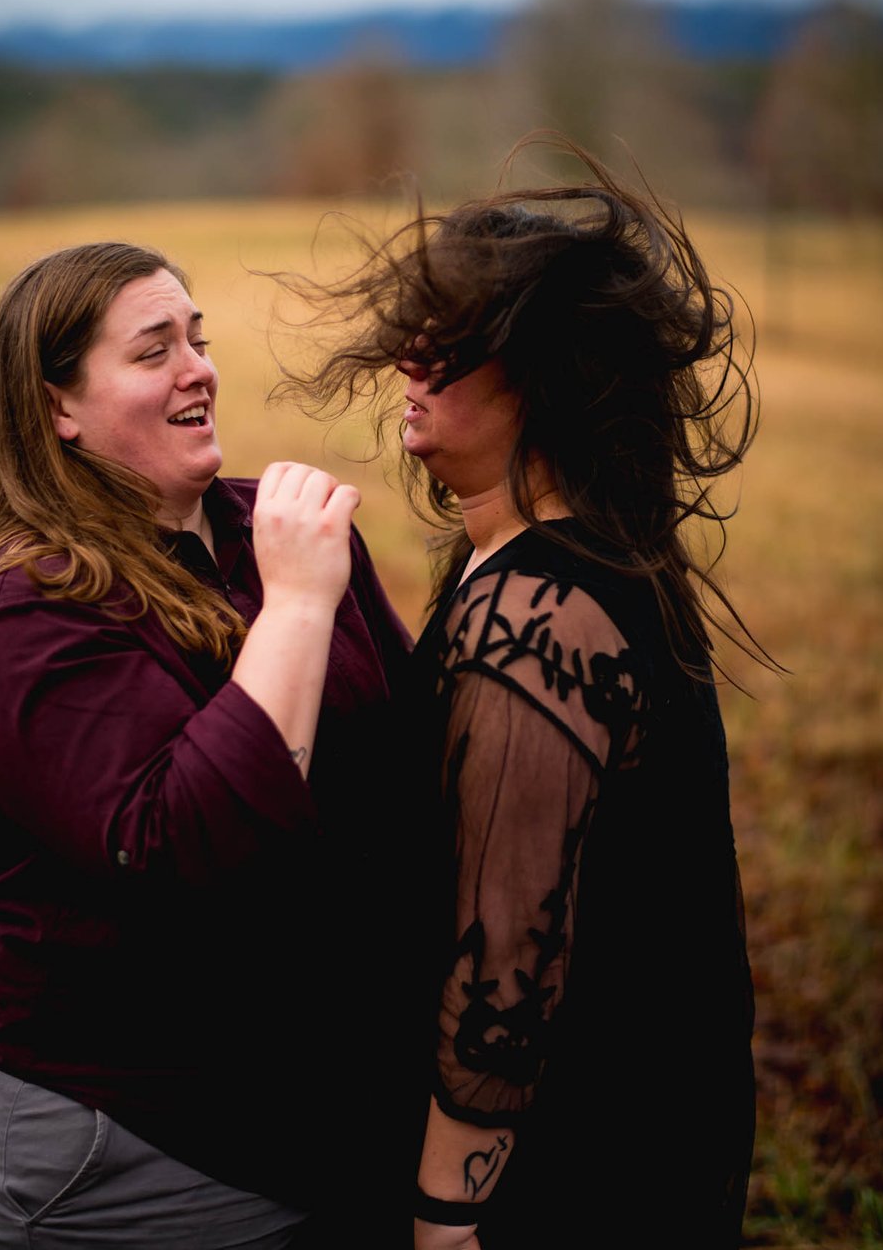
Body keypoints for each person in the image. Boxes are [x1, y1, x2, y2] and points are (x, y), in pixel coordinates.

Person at [288, 145, 759, 1248]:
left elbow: (507, 960)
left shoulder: (538, 620)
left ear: (538, 376)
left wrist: (447, 1213)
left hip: (564, 1184)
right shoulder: (580, 558)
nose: (410, 356)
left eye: (451, 340)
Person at [0, 240, 410, 1249]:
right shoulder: (23, 614)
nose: (199, 369)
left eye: (198, 339)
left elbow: (411, 744)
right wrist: (300, 605)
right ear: (58, 408)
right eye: (153, 351)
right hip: (125, 1126)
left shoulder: (265, 534)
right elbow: (185, 840)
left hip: (316, 1095)